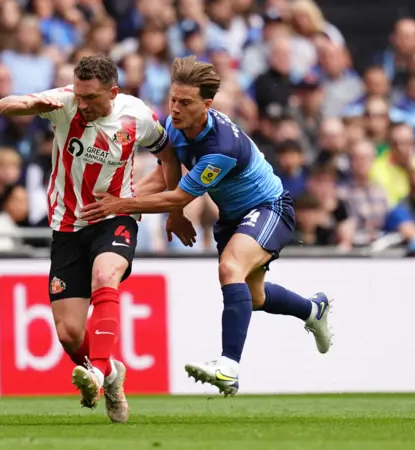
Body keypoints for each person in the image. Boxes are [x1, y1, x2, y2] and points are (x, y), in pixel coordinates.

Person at [80, 56, 333, 397]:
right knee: (254, 297)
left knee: (230, 268)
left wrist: (122, 205)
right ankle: (312, 309)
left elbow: (179, 197)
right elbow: (164, 177)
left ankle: (228, 367)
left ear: (207, 104)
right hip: (233, 218)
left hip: (268, 208)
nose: (175, 108)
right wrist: (123, 200)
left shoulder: (221, 148)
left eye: (185, 102)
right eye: (172, 99)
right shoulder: (176, 125)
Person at [0, 55, 185, 422]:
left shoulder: (137, 116)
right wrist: (30, 104)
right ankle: (112, 375)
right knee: (68, 334)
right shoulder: (64, 103)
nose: (82, 104)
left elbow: (169, 157)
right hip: (67, 225)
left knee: (105, 276)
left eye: (91, 98)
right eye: (79, 95)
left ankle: (97, 370)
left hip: (114, 216)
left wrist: (172, 208)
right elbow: (4, 106)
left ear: (112, 92)